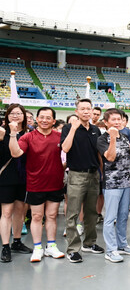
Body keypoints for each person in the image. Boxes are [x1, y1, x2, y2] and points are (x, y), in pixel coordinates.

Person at [8, 107, 66, 262]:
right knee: (37, 216)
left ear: (54, 121)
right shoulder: (28, 137)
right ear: (37, 119)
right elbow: (15, 153)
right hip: (35, 184)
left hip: (55, 183)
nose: (45, 120)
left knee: (52, 216)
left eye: (48, 118)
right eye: (42, 117)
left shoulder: (60, 137)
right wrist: (13, 134)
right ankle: (38, 247)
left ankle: (51, 246)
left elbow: (67, 156)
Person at [61, 99, 105, 263]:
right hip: (76, 175)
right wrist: (73, 129)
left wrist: (102, 173)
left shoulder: (95, 130)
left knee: (91, 213)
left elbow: (99, 154)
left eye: (89, 108)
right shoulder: (68, 128)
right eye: (83, 109)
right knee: (72, 213)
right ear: (77, 111)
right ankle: (72, 249)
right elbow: (65, 148)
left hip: (94, 175)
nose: (86, 111)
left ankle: (89, 243)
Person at [97, 108, 130, 263]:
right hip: (112, 184)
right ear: (106, 122)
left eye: (119, 119)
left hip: (126, 182)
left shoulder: (126, 136)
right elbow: (110, 157)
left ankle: (122, 244)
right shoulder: (102, 139)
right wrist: (113, 138)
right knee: (110, 218)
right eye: (113, 120)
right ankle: (111, 250)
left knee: (123, 216)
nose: (116, 122)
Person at [0, 104, 32, 262]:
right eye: (12, 113)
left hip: (24, 177)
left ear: (24, 116)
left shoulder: (29, 133)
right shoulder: (2, 132)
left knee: (20, 211)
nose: (15, 116)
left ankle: (17, 242)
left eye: (19, 113)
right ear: (7, 115)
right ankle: (5, 246)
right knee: (6, 213)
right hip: (6, 177)